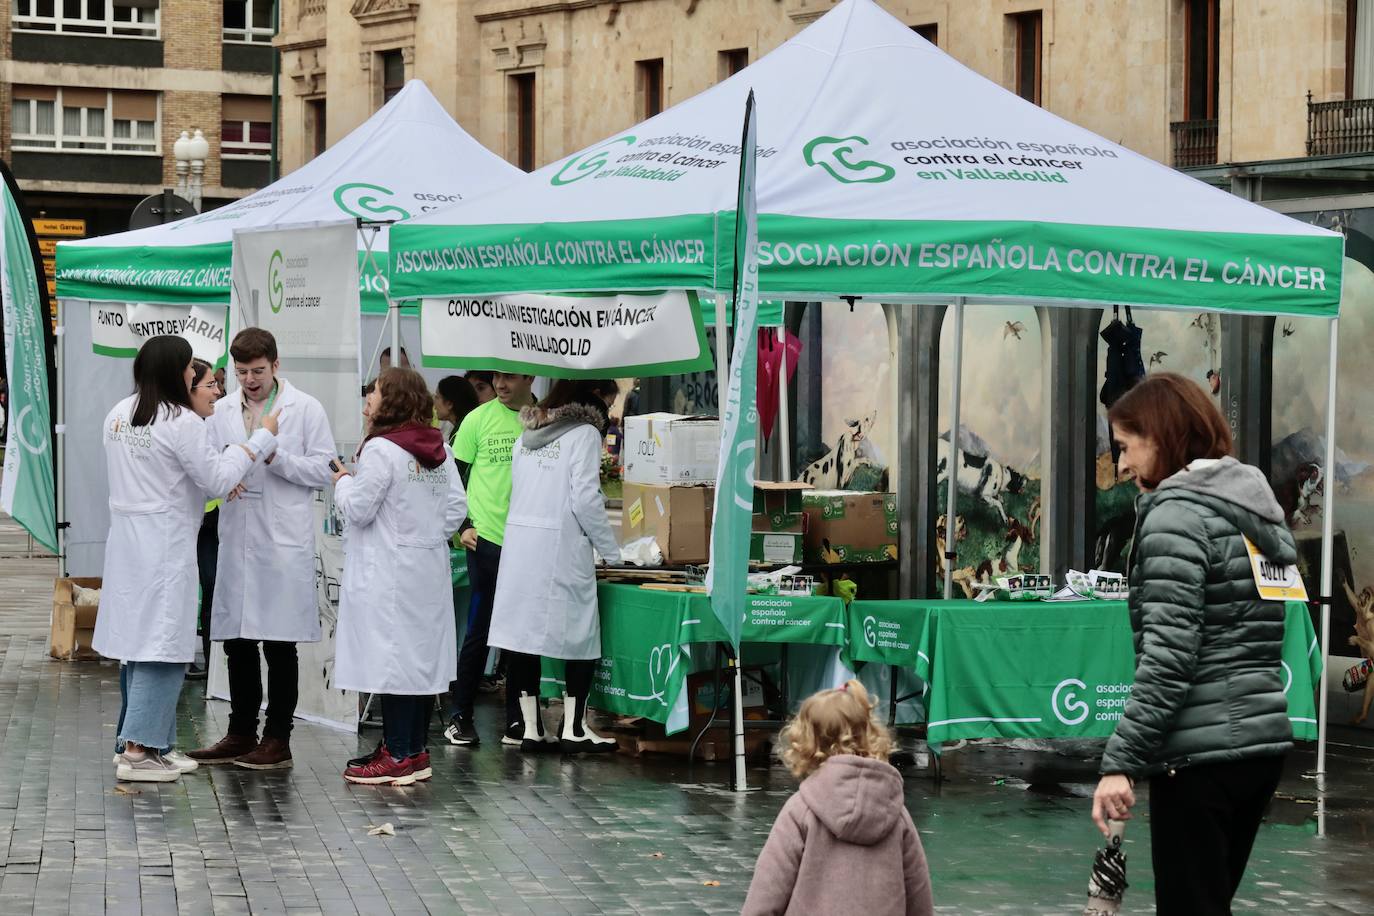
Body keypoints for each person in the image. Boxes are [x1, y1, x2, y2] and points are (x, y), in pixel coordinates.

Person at [1093, 372, 1295, 914]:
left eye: (1127, 447)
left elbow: (1168, 661)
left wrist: (1120, 763)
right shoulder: (1251, 508)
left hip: (1200, 758)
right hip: (1259, 747)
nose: (1123, 465)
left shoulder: (1175, 517)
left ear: (1161, 436)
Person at [95, 336, 278, 782]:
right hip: (165, 544)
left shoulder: (120, 413)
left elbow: (175, 475)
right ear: (176, 371)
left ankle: (139, 742)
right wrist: (256, 442)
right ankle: (140, 752)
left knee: (137, 644)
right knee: (163, 645)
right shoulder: (179, 420)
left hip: (128, 542)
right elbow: (215, 478)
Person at [188, 328, 336, 770]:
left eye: (257, 371)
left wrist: (273, 455)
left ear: (275, 364)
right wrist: (225, 478)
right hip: (237, 535)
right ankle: (239, 731)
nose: (249, 381)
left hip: (281, 538)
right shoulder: (223, 410)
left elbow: (324, 469)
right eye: (241, 373)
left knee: (278, 643)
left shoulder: (305, 408)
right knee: (236, 640)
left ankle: (277, 737)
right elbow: (210, 463)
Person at [332, 368, 467, 785]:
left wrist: (341, 483)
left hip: (388, 570)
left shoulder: (382, 451)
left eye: (373, 393)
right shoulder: (437, 447)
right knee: (418, 662)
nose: (367, 400)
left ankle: (397, 753)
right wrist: (425, 535)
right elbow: (456, 508)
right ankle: (412, 749)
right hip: (425, 566)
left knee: (393, 662)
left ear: (391, 400)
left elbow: (358, 508)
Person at [488, 379, 622, 753]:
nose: (609, 416)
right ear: (593, 399)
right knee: (580, 638)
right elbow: (586, 500)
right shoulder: (584, 436)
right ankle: (575, 728)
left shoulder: (526, 437)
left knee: (523, 638)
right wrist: (612, 551)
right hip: (561, 548)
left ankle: (530, 728)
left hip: (520, 547)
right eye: (609, 406)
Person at [742, 680, 933, 916]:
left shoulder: (801, 810)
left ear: (806, 744)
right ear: (871, 736)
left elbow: (768, 890)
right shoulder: (895, 813)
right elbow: (919, 894)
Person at [445, 372, 536, 747]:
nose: (500, 383)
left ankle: (521, 721)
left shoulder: (541, 420)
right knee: (479, 630)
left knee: (524, 635)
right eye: (496, 376)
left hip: (529, 542)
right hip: (486, 541)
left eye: (510, 376)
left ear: (530, 376)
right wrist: (462, 526)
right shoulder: (477, 420)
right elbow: (454, 479)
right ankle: (460, 716)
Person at [435, 376, 481, 653]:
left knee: (465, 608)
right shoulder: (456, 430)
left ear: (450, 403)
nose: (434, 403)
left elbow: (457, 487)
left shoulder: (461, 433)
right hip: (462, 530)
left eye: (438, 398)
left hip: (467, 533)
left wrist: (461, 524)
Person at [189, 358, 224, 680]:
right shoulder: (183, 426)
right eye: (211, 384)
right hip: (190, 524)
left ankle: (212, 663)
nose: (218, 391)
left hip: (212, 520)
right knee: (192, 586)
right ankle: (186, 656)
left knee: (211, 584)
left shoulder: (211, 419)